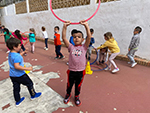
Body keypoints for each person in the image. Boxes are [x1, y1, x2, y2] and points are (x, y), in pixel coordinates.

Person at [62, 20, 91, 106]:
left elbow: (89, 37)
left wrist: (86, 25)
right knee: (69, 85)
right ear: (72, 39)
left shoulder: (84, 47)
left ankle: (77, 96)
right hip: (71, 71)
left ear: (82, 39)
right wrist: (64, 27)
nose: (77, 38)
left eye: (79, 37)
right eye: (75, 37)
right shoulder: (71, 47)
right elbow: (63, 38)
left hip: (81, 71)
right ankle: (68, 94)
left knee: (78, 85)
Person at [6, 38, 41, 106]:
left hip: (12, 75)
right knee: (30, 83)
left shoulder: (11, 53)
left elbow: (17, 57)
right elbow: (17, 66)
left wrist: (23, 52)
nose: (20, 47)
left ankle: (17, 100)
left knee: (16, 88)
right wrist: (27, 68)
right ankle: (33, 95)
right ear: (14, 47)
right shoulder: (17, 56)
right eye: (19, 46)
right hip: (20, 75)